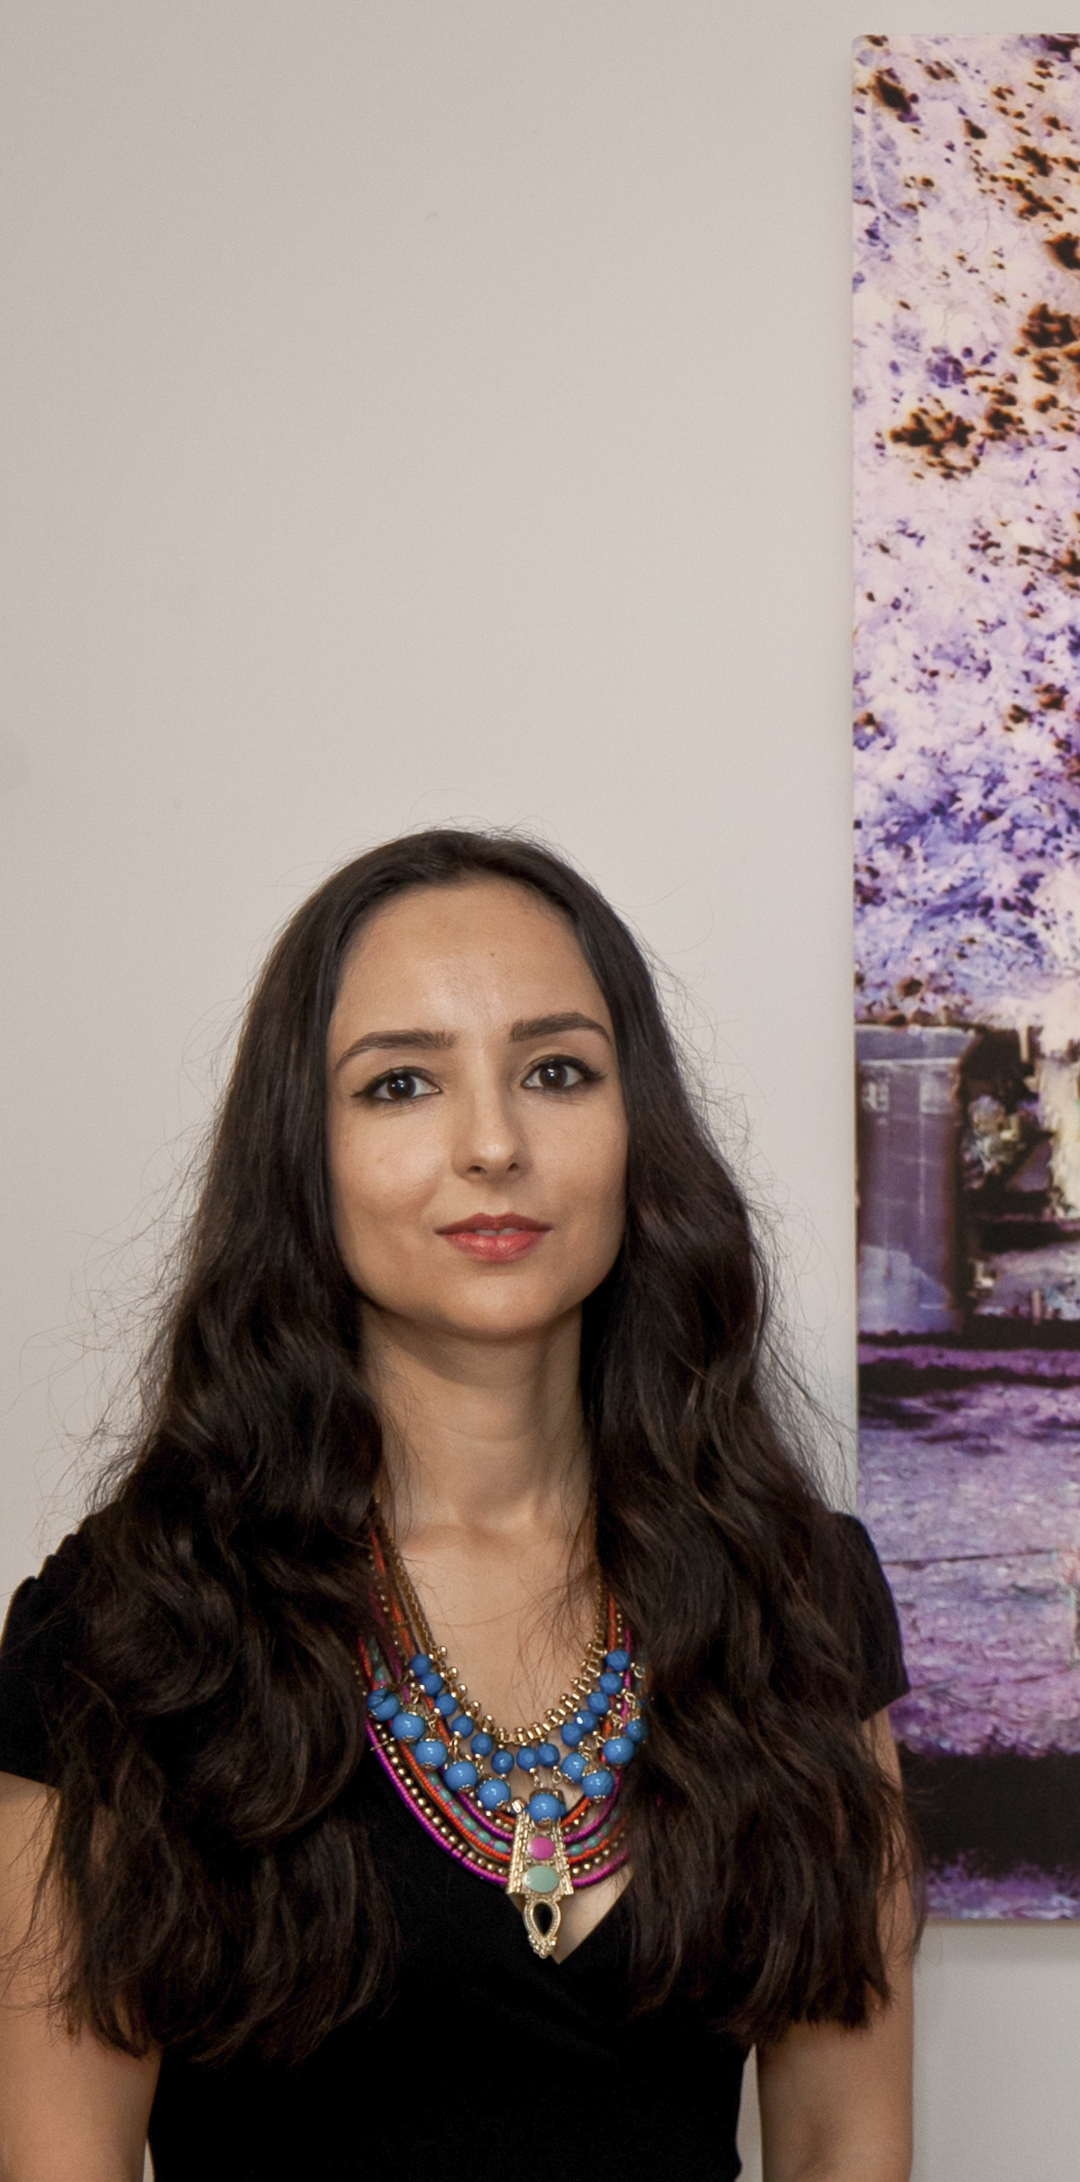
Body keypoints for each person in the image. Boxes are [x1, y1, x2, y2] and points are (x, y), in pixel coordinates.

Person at [0, 830, 916, 2180]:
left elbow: (844, 2140)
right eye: (401, 1084)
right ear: (302, 1155)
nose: (492, 1143)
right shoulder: (132, 1625)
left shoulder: (797, 1594)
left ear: (634, 1130)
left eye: (556, 1072)